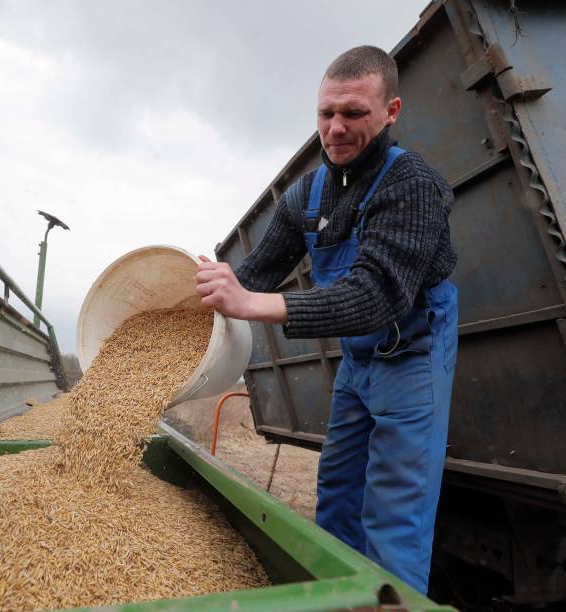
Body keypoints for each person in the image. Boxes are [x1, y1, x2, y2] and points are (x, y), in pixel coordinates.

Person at [195, 45, 458, 593]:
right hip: (359, 360)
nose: (335, 129)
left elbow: (375, 294)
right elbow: (256, 273)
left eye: (354, 114)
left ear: (391, 111)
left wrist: (251, 304)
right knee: (337, 496)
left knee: (393, 517)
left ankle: (393, 601)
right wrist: (206, 305)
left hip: (412, 355)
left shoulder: (413, 186)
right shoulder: (308, 193)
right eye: (325, 114)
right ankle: (339, 601)